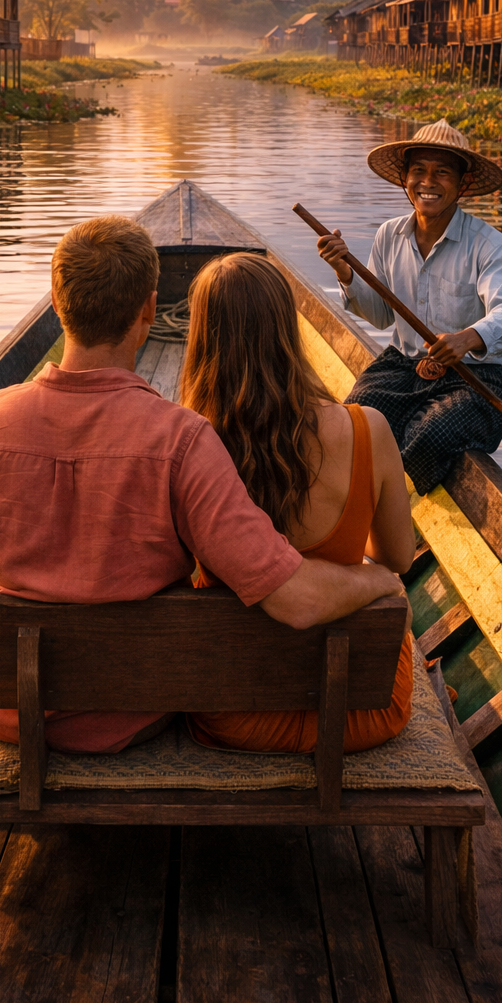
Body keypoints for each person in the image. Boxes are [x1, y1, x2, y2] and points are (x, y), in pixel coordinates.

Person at [0, 216, 405, 753]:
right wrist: (380, 581)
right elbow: (294, 599)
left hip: (8, 709)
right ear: (149, 309)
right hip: (130, 711)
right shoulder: (181, 441)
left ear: (57, 301)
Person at [180, 253, 415, 754]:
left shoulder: (184, 445)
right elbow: (397, 558)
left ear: (201, 336)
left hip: (230, 711)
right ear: (289, 328)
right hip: (360, 710)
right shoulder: (367, 428)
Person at [317, 117, 502, 498]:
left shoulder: (488, 245)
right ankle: (369, 505)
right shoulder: (389, 235)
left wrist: (469, 338)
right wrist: (344, 272)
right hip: (404, 367)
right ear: (405, 178)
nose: (428, 183)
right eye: (419, 171)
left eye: (442, 173)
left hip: (474, 377)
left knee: (429, 433)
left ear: (462, 184)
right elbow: (382, 316)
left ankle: (398, 513)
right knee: (354, 423)